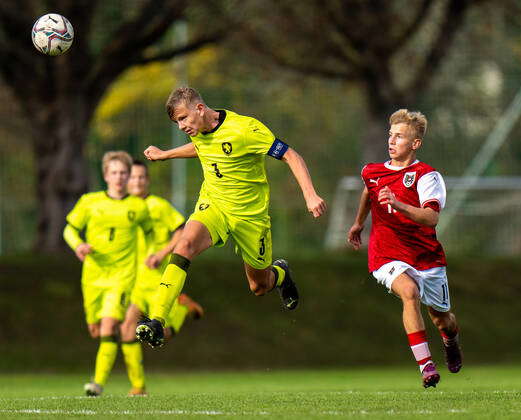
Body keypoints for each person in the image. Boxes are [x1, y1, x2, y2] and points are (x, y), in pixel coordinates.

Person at [136, 86, 326, 348]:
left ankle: (280, 274)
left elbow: (291, 156)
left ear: (200, 108)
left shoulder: (245, 129)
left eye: (183, 118)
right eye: (176, 121)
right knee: (185, 245)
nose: (181, 126)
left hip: (250, 217)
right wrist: (165, 154)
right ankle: (157, 319)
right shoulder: (200, 130)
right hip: (214, 206)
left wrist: (310, 195)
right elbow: (202, 148)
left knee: (259, 286)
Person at [347, 109, 462, 388]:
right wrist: (358, 224)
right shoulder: (371, 171)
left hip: (426, 255)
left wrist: (398, 203)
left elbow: (431, 217)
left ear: (415, 144)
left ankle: (450, 341)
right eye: (390, 135)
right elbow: (368, 191)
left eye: (399, 136)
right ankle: (426, 366)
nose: (392, 140)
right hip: (386, 252)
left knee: (442, 318)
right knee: (408, 292)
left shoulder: (427, 176)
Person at [63, 151, 153, 396]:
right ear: (105, 175)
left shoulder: (138, 206)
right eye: (114, 172)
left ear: (128, 176)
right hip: (92, 276)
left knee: (109, 323)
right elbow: (69, 230)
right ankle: (134, 384)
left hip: (122, 276)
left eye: (123, 173)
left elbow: (151, 235)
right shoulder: (89, 202)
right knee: (96, 328)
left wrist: (153, 256)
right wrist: (78, 245)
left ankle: (97, 384)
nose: (119, 177)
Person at [120, 160, 204, 395]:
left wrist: (161, 253)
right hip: (137, 280)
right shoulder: (122, 207)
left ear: (147, 180)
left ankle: (182, 310)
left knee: (159, 336)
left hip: (159, 278)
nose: (136, 181)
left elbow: (181, 232)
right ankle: (138, 386)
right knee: (127, 329)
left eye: (141, 177)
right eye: (133, 177)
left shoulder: (158, 205)